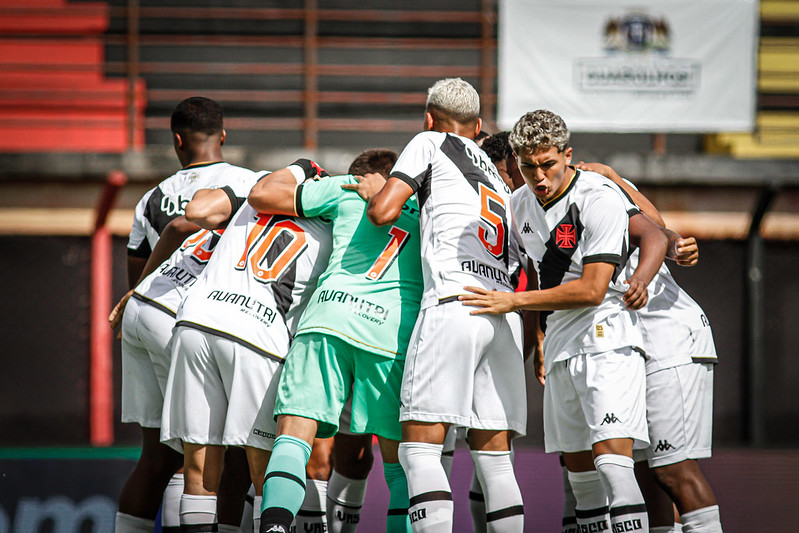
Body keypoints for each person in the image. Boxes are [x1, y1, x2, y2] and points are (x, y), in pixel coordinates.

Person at [460, 109, 670, 533]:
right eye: (528, 166)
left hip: (607, 343)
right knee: (581, 480)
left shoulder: (598, 198)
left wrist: (514, 302)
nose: (539, 176)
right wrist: (539, 335)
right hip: (559, 350)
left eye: (548, 164)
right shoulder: (517, 204)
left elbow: (593, 289)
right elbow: (539, 270)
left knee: (614, 468)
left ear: (568, 155)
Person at [365, 78, 526, 532]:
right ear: (478, 126)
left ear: (429, 118)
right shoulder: (499, 173)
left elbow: (384, 212)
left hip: (452, 304)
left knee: (419, 450)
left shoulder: (429, 141)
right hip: (500, 312)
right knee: (496, 463)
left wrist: (373, 194)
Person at [247, 148, 420, 533]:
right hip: (390, 335)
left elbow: (260, 195)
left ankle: (274, 528)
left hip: (328, 318)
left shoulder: (343, 187)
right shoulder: (429, 205)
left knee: (293, 439)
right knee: (399, 467)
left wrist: (307, 171)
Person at [115, 96, 266, 533]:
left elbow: (137, 272)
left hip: (144, 309)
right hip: (196, 318)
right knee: (217, 448)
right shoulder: (250, 182)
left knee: (159, 455)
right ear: (223, 135)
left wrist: (132, 297)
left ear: (177, 141)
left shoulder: (151, 198)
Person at [157, 158, 332, 533]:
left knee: (199, 469)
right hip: (258, 334)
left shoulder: (253, 194)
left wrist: (284, 172)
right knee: (266, 472)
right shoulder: (335, 225)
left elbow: (197, 210)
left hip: (197, 320)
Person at [573, 162, 723, 533]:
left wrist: (612, 176)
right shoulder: (531, 207)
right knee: (644, 471)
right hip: (629, 348)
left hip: (669, 338)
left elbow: (656, 230)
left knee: (672, 469)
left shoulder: (593, 188)